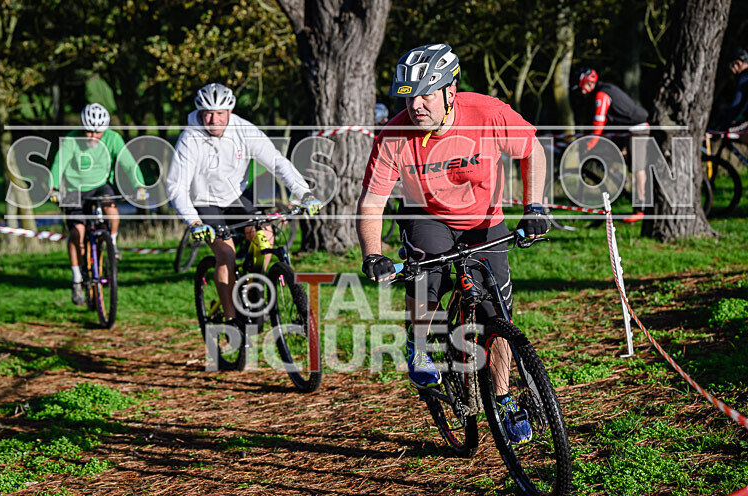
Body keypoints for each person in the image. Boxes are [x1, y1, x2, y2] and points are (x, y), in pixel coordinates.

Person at [356, 44, 549, 445]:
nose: (417, 105)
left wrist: (534, 206)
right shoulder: (394, 135)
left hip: (485, 222)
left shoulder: (487, 112)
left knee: (498, 319)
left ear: (451, 88)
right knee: (425, 273)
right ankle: (421, 343)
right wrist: (372, 253)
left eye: (428, 93)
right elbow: (372, 202)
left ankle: (503, 397)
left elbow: (533, 151)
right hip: (427, 215)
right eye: (410, 95)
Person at [166, 83, 321, 326]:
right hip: (204, 201)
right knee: (226, 253)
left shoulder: (244, 130)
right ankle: (231, 319)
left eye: (220, 114)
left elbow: (277, 163)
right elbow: (177, 186)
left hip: (236, 196)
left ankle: (253, 288)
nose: (214, 120)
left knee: (266, 235)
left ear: (230, 111)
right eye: (208, 113)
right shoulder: (190, 138)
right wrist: (194, 221)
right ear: (199, 112)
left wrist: (304, 193)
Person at [49, 103, 147, 305]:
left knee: (112, 211)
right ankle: (77, 279)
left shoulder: (113, 138)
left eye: (98, 132)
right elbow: (59, 163)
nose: (93, 136)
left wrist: (139, 185)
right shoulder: (71, 140)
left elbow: (128, 163)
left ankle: (112, 242)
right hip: (73, 188)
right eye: (89, 131)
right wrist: (54, 187)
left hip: (100, 185)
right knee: (77, 233)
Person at [572, 68, 650, 222]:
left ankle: (640, 209)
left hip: (638, 128)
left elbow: (598, 122)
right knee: (614, 153)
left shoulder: (602, 94)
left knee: (638, 168)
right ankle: (619, 172)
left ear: (587, 84)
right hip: (626, 130)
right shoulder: (601, 90)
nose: (581, 92)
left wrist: (590, 143)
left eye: (581, 87)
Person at [716, 48, 748, 135]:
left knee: (723, 132)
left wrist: (727, 121)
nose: (730, 69)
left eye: (731, 65)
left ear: (738, 63)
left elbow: (737, 103)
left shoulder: (744, 77)